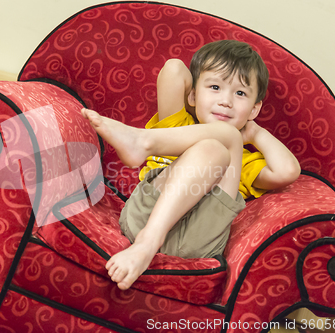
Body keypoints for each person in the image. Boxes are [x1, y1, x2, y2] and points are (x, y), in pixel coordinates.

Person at [81, 40, 300, 290]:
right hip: (144, 218)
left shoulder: (241, 158)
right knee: (220, 141)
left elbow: (288, 171)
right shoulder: (177, 124)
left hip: (201, 239)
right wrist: (205, 99)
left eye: (240, 94)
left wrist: (256, 133)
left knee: (225, 141)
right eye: (215, 87)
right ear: (193, 94)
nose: (226, 101)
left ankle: (142, 141)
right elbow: (174, 70)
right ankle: (147, 241)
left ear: (254, 108)